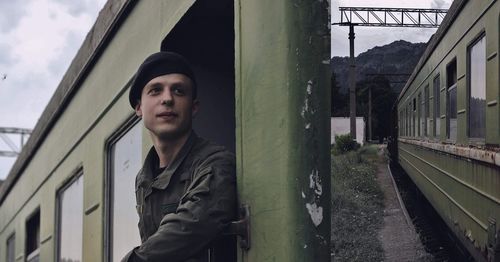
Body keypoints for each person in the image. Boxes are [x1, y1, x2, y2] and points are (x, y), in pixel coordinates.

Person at [122, 51, 237, 262]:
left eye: (179, 91)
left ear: (193, 107)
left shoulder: (216, 162)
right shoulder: (144, 178)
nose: (167, 99)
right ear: (139, 108)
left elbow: (195, 222)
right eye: (156, 90)